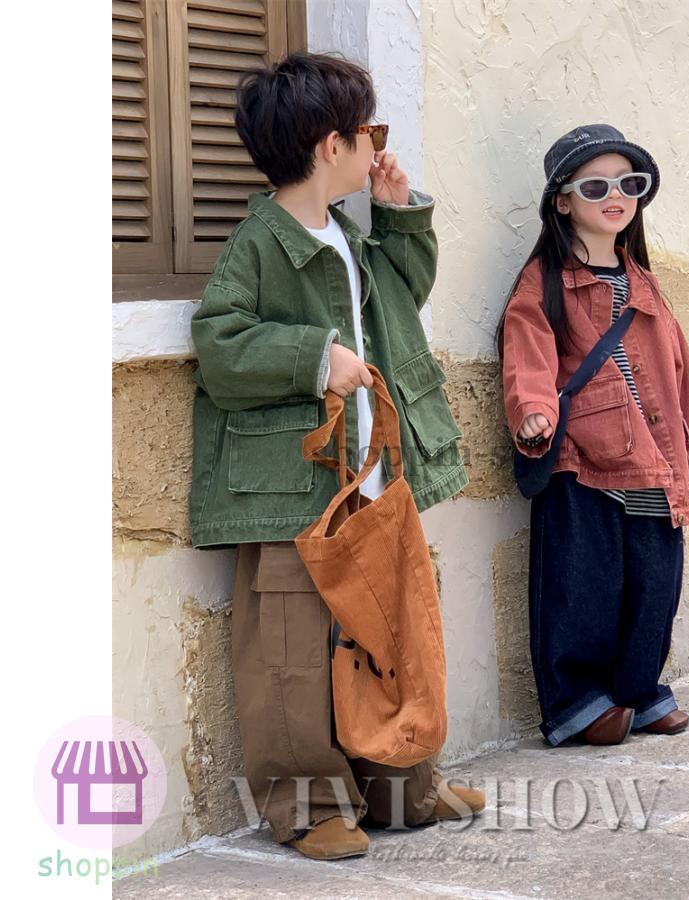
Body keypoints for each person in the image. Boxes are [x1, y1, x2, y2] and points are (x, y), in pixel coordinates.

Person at [189, 51, 483, 861]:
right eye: (369, 134)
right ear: (331, 146)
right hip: (293, 489)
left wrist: (398, 217)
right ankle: (309, 806)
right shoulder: (259, 243)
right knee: (289, 653)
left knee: (391, 634)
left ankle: (402, 787)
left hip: (371, 479)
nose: (376, 147)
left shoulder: (349, 235)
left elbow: (402, 300)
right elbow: (219, 342)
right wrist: (316, 358)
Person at [498, 124, 689, 749]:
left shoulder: (643, 282)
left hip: (654, 459)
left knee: (654, 585)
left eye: (629, 184)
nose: (615, 196)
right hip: (585, 462)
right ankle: (578, 703)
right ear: (563, 201)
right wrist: (533, 411)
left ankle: (639, 690)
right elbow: (527, 351)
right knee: (583, 586)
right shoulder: (545, 280)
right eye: (595, 187)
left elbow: (683, 373)